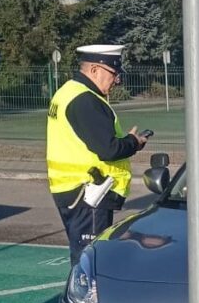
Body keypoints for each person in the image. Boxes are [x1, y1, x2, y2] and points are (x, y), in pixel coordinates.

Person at [46, 44, 151, 264]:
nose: (117, 80)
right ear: (95, 70)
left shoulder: (68, 91)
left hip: (75, 192)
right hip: (90, 193)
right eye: (114, 73)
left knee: (86, 258)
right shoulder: (85, 100)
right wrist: (133, 142)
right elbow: (108, 149)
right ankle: (88, 298)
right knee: (91, 260)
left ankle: (86, 295)